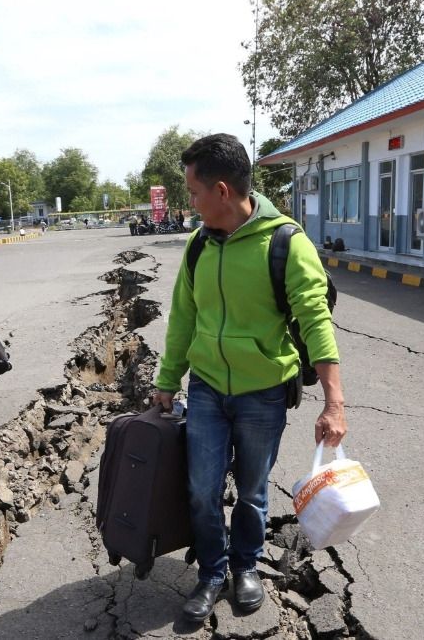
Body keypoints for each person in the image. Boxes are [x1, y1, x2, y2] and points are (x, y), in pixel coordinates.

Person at [153, 134, 345, 622]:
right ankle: (211, 572)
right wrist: (167, 379)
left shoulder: (286, 243)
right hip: (208, 389)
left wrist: (334, 402)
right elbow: (182, 317)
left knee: (254, 492)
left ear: (220, 191)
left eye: (193, 193)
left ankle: (246, 567)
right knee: (202, 488)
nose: (189, 203)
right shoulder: (199, 245)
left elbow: (315, 320)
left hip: (262, 393)